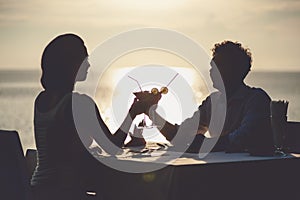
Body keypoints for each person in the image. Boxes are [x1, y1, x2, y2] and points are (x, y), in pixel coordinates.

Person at [31, 33, 145, 199]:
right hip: (66, 193)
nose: (89, 64)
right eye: (84, 58)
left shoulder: (41, 100)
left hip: (39, 190)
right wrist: (133, 112)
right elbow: (112, 147)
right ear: (70, 64)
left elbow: (63, 148)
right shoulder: (78, 103)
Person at [137, 41, 274, 155]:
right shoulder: (212, 102)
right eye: (212, 66)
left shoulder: (256, 99)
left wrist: (201, 144)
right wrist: (151, 112)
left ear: (236, 69)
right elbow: (179, 134)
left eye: (218, 65)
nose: (211, 70)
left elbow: (242, 139)